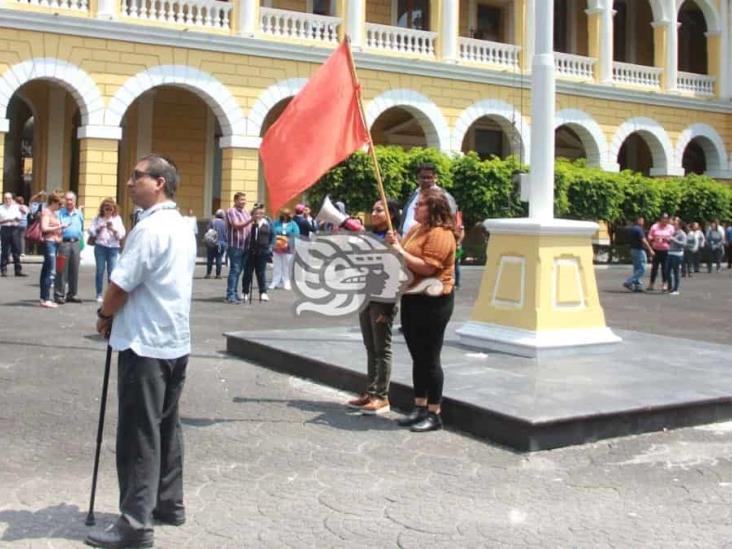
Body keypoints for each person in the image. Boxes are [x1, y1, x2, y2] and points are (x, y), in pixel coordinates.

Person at [86, 155, 196, 549]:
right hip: (173, 339)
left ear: (160, 183)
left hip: (144, 342)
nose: (130, 183)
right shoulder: (183, 225)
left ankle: (135, 524)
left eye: (137, 176)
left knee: (138, 434)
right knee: (167, 426)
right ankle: (168, 503)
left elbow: (120, 284)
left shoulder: (149, 229)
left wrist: (103, 314)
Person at [386, 189, 456, 433]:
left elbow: (428, 268)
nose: (414, 209)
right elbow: (404, 259)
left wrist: (400, 252)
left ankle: (435, 412)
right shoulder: (417, 229)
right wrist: (396, 246)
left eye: (420, 205)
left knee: (430, 357)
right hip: (414, 297)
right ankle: (419, 405)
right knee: (418, 356)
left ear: (433, 209)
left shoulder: (441, 234)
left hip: (434, 300)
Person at [347, 199, 401, 415]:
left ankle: (382, 396)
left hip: (383, 299)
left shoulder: (395, 238)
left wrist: (389, 306)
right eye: (373, 208)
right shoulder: (370, 236)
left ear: (392, 215)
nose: (373, 212)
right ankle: (370, 392)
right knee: (371, 348)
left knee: (382, 348)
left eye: (379, 210)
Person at [399, 163, 457, 235]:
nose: (426, 180)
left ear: (435, 178)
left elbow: (451, 220)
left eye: (429, 177)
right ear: (417, 179)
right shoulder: (413, 195)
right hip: (406, 239)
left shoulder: (443, 197)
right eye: (423, 177)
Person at [88, 198, 126, 303]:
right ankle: (99, 294)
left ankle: (110, 295)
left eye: (111, 209)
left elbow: (122, 234)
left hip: (113, 248)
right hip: (100, 246)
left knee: (112, 272)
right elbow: (90, 231)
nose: (109, 211)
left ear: (114, 209)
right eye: (106, 208)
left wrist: (113, 229)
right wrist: (98, 228)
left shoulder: (117, 219)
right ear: (103, 209)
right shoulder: (97, 218)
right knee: (100, 271)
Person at [54, 191, 84, 303]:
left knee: (74, 269)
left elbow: (81, 228)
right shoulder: (59, 213)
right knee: (61, 269)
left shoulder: (79, 213)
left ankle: (72, 294)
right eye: (67, 199)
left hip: (76, 243)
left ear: (75, 201)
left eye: (71, 200)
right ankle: (59, 294)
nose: (69, 202)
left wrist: (81, 242)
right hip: (64, 243)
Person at [225, 192, 253, 304]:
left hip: (245, 246)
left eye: (244, 200)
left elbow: (250, 227)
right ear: (235, 200)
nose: (244, 202)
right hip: (235, 245)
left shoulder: (246, 212)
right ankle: (230, 294)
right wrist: (251, 220)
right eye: (241, 199)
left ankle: (234, 293)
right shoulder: (231, 211)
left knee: (239, 271)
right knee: (235, 270)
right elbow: (236, 225)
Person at [242, 205, 274, 302]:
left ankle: (263, 292)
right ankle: (245, 292)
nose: (259, 215)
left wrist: (270, 247)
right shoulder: (249, 223)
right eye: (256, 213)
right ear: (253, 214)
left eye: (261, 213)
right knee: (247, 272)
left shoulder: (267, 223)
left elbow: (273, 235)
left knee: (261, 273)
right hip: (250, 250)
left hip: (263, 250)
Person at [38, 193, 63, 308]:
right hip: (50, 242)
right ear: (53, 202)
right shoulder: (46, 212)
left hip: (55, 242)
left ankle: (43, 297)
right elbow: (44, 227)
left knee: (46, 269)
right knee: (51, 271)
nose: (60, 206)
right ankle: (46, 298)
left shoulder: (54, 213)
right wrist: (58, 227)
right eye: (59, 204)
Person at [269, 209, 299, 290]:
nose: (284, 216)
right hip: (277, 247)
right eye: (283, 214)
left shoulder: (293, 224)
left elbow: (296, 234)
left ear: (289, 215)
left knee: (287, 266)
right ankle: (275, 281)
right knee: (277, 265)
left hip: (288, 248)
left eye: (286, 214)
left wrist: (287, 238)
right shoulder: (276, 223)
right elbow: (272, 232)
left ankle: (287, 282)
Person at [623, 216, 654, 292]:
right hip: (639, 250)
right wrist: (650, 249)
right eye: (642, 220)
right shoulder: (639, 229)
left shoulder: (632, 229)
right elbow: (643, 240)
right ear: (638, 220)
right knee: (642, 269)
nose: (643, 222)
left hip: (633, 250)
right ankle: (629, 281)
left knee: (636, 268)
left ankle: (638, 285)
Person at [0, 192, 26, 277]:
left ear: (12, 199)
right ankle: (3, 269)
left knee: (16, 250)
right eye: (6, 198)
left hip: (15, 229)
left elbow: (20, 217)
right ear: (3, 199)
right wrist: (8, 220)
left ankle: (18, 270)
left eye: (9, 198)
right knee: (4, 250)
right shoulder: (1, 208)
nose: (7, 200)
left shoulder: (16, 207)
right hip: (5, 229)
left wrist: (14, 219)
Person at [647, 213, 674, 291]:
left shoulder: (670, 228)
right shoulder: (655, 226)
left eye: (666, 218)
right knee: (654, 268)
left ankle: (664, 284)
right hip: (656, 249)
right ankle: (651, 284)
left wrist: (666, 239)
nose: (664, 220)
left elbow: (673, 238)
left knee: (664, 268)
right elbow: (649, 236)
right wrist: (654, 239)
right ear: (660, 219)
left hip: (666, 250)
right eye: (663, 218)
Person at [666, 217, 686, 296]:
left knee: (676, 271)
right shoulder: (674, 232)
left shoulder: (682, 233)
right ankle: (670, 287)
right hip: (670, 253)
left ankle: (676, 289)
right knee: (667, 271)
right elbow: (670, 242)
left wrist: (674, 240)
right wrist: (668, 240)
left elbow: (683, 244)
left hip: (677, 254)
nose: (674, 225)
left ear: (680, 225)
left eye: (676, 224)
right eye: (674, 224)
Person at [204, 209, 226, 279]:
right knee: (219, 258)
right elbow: (226, 234)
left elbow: (207, 230)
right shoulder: (225, 223)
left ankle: (208, 274)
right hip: (221, 243)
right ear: (222, 216)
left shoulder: (212, 221)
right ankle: (218, 274)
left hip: (212, 243)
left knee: (210, 258)